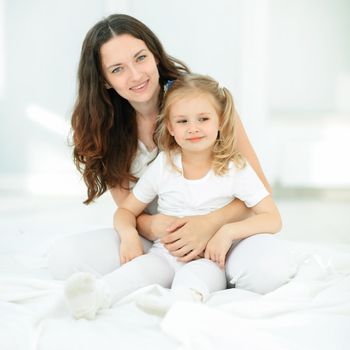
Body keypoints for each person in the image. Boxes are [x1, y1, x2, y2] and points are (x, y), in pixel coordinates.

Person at [48, 14, 296, 298]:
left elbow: (257, 195)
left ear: (154, 55)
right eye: (118, 69)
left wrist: (209, 226)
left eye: (140, 58)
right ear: (104, 80)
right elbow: (129, 209)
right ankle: (163, 274)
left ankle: (206, 274)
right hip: (161, 242)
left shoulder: (201, 105)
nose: (136, 75)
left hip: (223, 232)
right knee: (63, 258)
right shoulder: (102, 129)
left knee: (270, 271)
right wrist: (153, 227)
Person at [64, 73, 283, 319]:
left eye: (203, 118)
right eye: (182, 121)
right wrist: (127, 235)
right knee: (139, 271)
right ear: (169, 127)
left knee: (194, 280)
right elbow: (126, 210)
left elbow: (273, 219)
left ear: (220, 121)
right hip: (164, 254)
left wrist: (226, 232)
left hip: (209, 260)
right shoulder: (163, 166)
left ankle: (178, 304)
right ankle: (95, 296)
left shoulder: (235, 168)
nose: (193, 128)